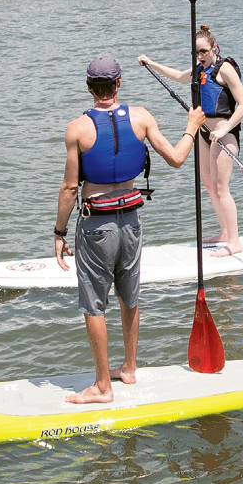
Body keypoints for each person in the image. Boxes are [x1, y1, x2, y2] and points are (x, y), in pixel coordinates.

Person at [57, 57, 202, 404]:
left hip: (96, 227)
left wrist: (59, 233)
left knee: (94, 305)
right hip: (132, 222)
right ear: (119, 84)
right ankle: (130, 368)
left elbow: (68, 189)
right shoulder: (142, 118)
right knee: (129, 294)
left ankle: (103, 387)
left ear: (89, 87)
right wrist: (192, 125)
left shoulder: (77, 129)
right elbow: (178, 158)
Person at [139, 26, 243, 252]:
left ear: (214, 48)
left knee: (222, 188)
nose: (200, 57)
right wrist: (151, 63)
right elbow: (179, 76)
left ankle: (235, 242)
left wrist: (224, 129)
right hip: (203, 133)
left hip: (224, 134)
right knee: (209, 186)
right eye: (196, 53)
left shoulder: (225, 69)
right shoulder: (200, 69)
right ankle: (224, 232)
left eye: (203, 52)